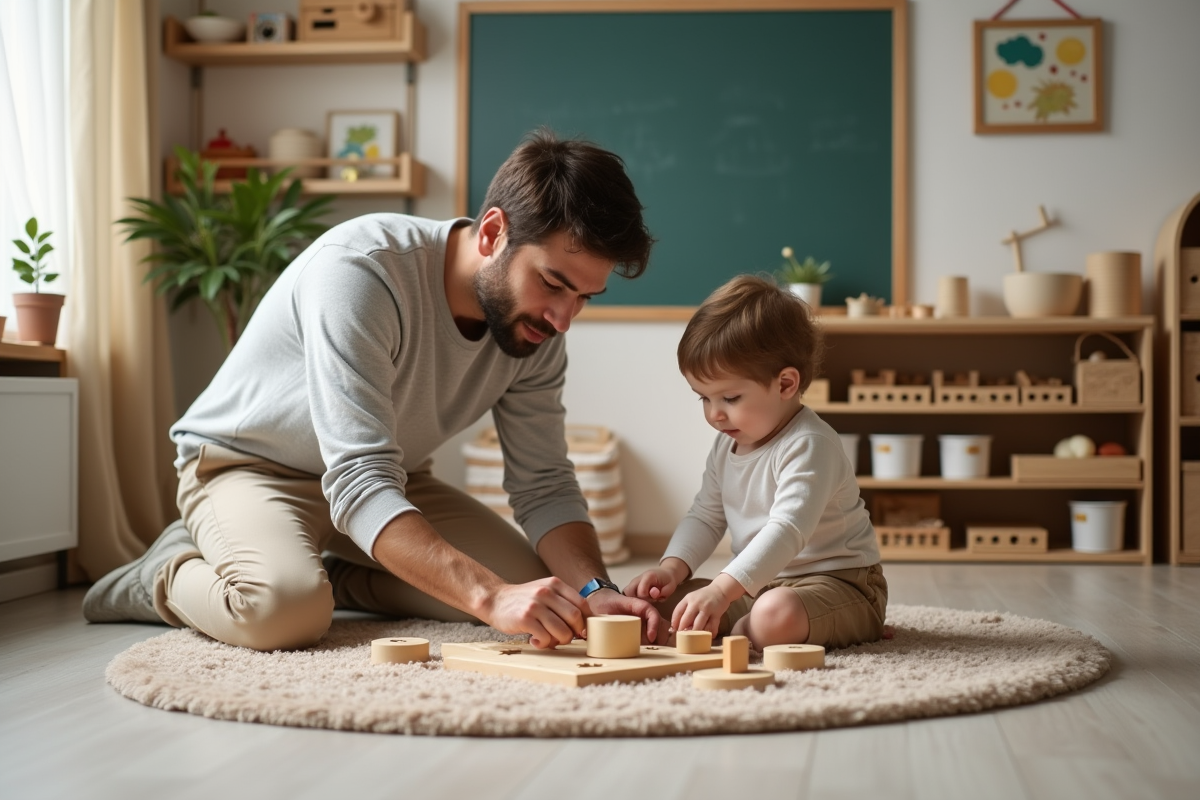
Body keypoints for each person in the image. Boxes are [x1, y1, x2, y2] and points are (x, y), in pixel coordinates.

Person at [84, 129, 662, 651]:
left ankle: (317, 572)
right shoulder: (361, 272)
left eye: (585, 297)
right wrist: (488, 598)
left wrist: (594, 588)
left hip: (390, 480)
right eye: (554, 284)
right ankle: (163, 571)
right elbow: (358, 479)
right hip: (251, 466)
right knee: (283, 614)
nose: (565, 319)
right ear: (492, 233)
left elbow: (543, 483)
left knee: (546, 594)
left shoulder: (538, 328)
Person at [623, 275, 888, 652]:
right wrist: (671, 568)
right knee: (657, 606)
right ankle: (737, 627)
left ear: (785, 385)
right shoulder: (725, 445)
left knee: (773, 614)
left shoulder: (810, 444)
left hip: (839, 585)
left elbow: (787, 530)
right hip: (756, 586)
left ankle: (749, 632)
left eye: (730, 397)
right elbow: (705, 515)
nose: (715, 414)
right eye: (703, 399)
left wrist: (720, 590)